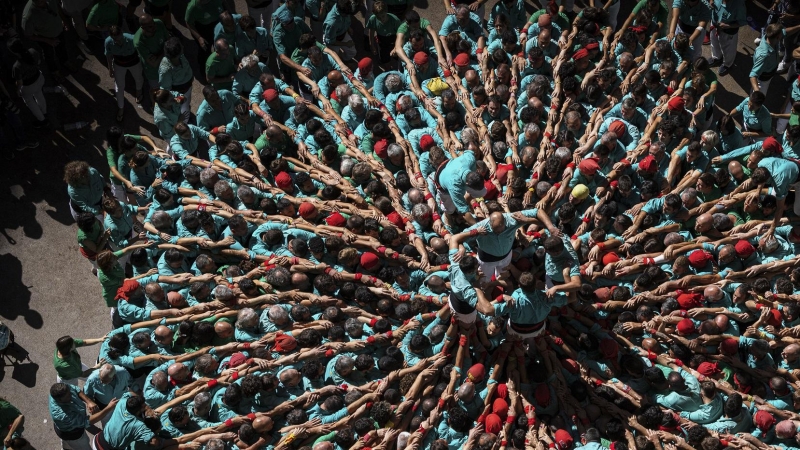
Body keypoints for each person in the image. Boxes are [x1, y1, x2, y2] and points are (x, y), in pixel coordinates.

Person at [105, 26, 144, 122]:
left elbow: (141, 51)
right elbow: (108, 55)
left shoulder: (132, 38)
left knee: (138, 78)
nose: (119, 42)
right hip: (119, 64)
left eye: (120, 39)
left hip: (134, 62)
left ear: (122, 33)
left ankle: (138, 91)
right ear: (111, 37)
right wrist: (110, 68)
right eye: (115, 40)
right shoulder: (108, 42)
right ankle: (121, 107)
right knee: (119, 86)